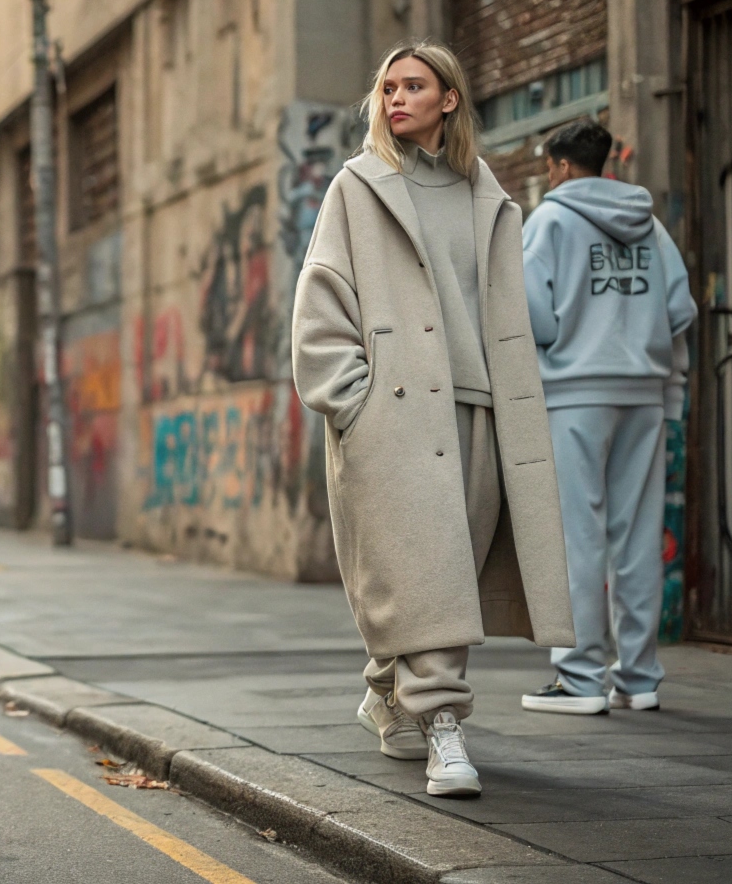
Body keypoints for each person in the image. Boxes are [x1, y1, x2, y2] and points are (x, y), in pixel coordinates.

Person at [292, 41, 575, 798]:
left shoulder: (487, 194)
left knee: (446, 576)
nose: (396, 99)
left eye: (413, 86)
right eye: (387, 87)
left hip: (479, 412)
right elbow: (319, 300)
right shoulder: (357, 187)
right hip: (392, 415)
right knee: (423, 572)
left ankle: (387, 692)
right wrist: (356, 400)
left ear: (449, 98)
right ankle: (444, 728)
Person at [518, 118, 695, 716]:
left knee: (578, 534)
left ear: (561, 166)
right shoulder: (651, 226)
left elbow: (531, 314)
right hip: (644, 392)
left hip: (574, 392)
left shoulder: (549, 220)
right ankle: (639, 676)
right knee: (637, 533)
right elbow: (679, 308)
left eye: (550, 166)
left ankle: (581, 679)